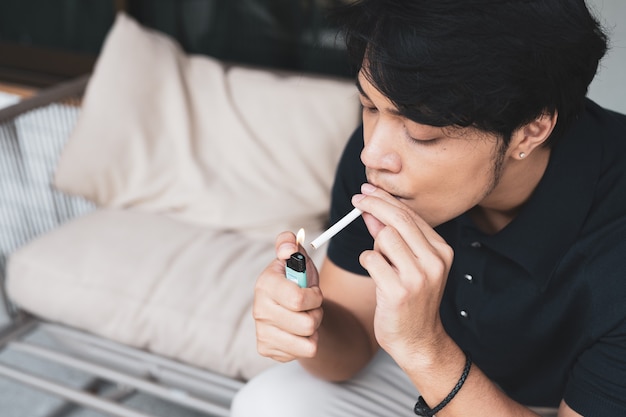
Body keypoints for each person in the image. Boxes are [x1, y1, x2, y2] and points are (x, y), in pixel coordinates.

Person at [231, 1, 626, 416]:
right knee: (273, 402)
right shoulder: (382, 163)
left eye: (421, 133)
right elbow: (347, 356)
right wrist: (306, 321)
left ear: (531, 128)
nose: (373, 153)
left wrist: (425, 347)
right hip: (432, 375)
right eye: (369, 107)